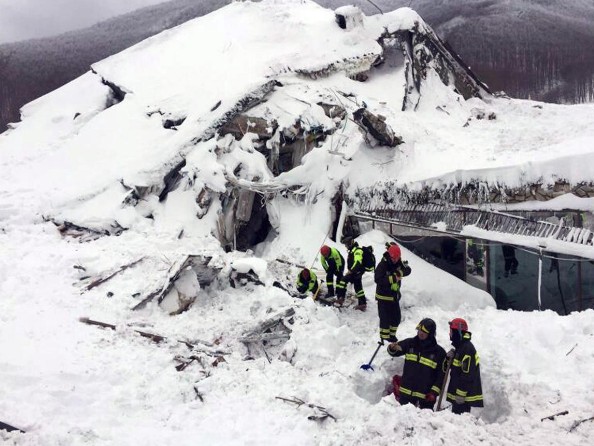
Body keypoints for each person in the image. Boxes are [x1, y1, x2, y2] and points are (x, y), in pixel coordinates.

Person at [387, 318, 447, 409]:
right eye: (419, 330)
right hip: (406, 394)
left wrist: (434, 393)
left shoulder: (439, 353)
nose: (420, 333)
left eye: (424, 332)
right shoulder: (410, 343)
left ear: (431, 334)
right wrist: (392, 348)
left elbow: (440, 377)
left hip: (425, 398)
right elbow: (394, 352)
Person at [374, 242, 411, 342]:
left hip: (394, 296)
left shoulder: (399, 262)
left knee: (396, 318)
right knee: (385, 319)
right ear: (389, 256)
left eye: (397, 258)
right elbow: (378, 279)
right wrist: (393, 278)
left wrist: (400, 272)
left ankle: (391, 335)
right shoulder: (382, 265)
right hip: (383, 297)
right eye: (393, 258)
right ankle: (384, 338)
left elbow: (408, 269)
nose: (395, 260)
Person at [446, 318, 484, 414]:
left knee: (459, 420)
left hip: (463, 397)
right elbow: (456, 369)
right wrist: (449, 359)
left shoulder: (467, 348)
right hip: (459, 394)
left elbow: (467, 374)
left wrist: (460, 394)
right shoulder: (460, 347)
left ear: (458, 332)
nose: (450, 334)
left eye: (451, 331)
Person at [339, 237, 367, 311]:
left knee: (343, 280)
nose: (345, 246)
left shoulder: (357, 251)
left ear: (350, 243)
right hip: (356, 272)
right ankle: (362, 303)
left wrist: (351, 271)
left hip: (355, 272)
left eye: (346, 244)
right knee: (358, 288)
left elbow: (358, 262)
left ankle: (340, 298)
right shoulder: (352, 250)